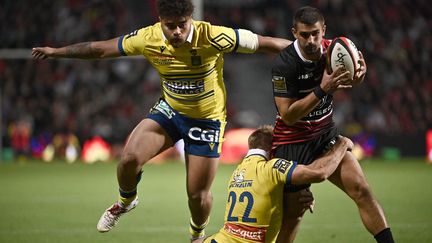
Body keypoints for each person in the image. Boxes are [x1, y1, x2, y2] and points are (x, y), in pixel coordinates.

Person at [32, 0, 292, 241]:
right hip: (170, 111)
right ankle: (126, 201)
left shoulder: (213, 36)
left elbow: (266, 42)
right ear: (160, 21)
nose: (177, 31)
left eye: (183, 24)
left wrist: (313, 52)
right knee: (128, 159)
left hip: (206, 121)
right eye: (170, 26)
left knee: (197, 195)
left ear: (191, 19)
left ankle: (196, 234)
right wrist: (57, 52)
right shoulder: (148, 37)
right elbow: (101, 49)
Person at [270, 6, 394, 243]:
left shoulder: (334, 50)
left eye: (316, 33)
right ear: (294, 32)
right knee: (293, 216)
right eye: (305, 34)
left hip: (325, 136)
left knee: (362, 190)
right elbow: (288, 115)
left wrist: (359, 73)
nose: (311, 40)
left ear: (323, 29)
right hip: (292, 142)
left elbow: (356, 76)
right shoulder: (285, 64)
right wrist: (322, 89)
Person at [199, 125, 353, 243]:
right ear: (274, 149)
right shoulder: (271, 167)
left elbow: (263, 198)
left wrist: (295, 195)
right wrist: (342, 144)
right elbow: (319, 173)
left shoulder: (238, 172)